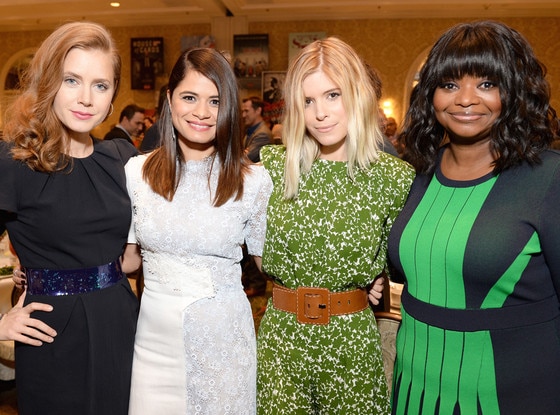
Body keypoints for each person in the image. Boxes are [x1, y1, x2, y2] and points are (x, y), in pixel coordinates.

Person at [388, 20, 560, 414]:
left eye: (486, 84)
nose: (465, 100)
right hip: (415, 384)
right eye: (449, 85)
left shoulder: (549, 179)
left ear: (514, 92)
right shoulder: (415, 173)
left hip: (514, 392)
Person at [256, 37, 415, 414]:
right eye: (308, 101)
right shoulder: (273, 168)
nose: (320, 113)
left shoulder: (393, 178)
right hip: (282, 340)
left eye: (332, 95)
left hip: (351, 343)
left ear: (358, 95)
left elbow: (403, 261)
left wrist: (378, 275)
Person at [123, 47, 272, 414]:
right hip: (153, 344)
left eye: (215, 101)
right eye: (190, 97)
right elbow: (126, 262)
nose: (202, 112)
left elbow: (272, 264)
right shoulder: (135, 174)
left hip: (224, 342)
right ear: (169, 100)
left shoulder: (252, 181)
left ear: (230, 109)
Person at [0, 21, 139, 415]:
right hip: (50, 334)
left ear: (113, 96)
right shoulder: (14, 163)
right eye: (71, 80)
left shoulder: (121, 160)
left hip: (120, 322)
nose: (86, 99)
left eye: (100, 85)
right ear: (48, 84)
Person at [242, 96, 273, 162]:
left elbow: (245, 159)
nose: (243, 115)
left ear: (258, 110)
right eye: (243, 111)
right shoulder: (249, 131)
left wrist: (242, 154)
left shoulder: (263, 134)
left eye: (246, 111)